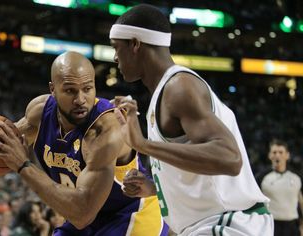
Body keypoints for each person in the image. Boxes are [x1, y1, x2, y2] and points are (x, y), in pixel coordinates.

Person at [0, 51, 168, 235]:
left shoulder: (105, 130)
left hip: (130, 216)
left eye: (87, 88)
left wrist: (23, 166)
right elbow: (2, 148)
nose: (80, 99)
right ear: (52, 89)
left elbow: (83, 213)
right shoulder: (39, 112)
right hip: (84, 219)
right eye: (70, 90)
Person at [109, 4, 273, 236]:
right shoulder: (163, 94)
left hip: (227, 225)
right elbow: (199, 174)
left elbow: (230, 158)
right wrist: (155, 187)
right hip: (212, 225)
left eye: (117, 47)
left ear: (135, 44)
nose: (115, 57)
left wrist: (143, 145)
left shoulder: (179, 87)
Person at [257, 139, 303, 236]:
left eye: (281, 152)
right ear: (269, 155)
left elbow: (301, 201)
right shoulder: (261, 177)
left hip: (292, 226)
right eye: (274, 152)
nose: (277, 155)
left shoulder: (296, 177)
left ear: (287, 155)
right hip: (271, 224)